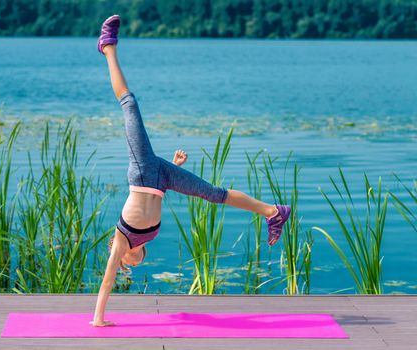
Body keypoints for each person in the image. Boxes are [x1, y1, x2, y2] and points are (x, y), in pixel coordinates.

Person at [91, 15, 291, 327]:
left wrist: (98, 319)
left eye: (132, 261)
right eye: (138, 258)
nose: (136, 259)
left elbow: (107, 279)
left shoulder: (121, 241)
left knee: (129, 104)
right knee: (216, 194)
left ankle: (108, 48)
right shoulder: (148, 238)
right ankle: (273, 212)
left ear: (127, 260)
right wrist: (173, 165)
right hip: (162, 179)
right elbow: (155, 203)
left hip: (144, 173)